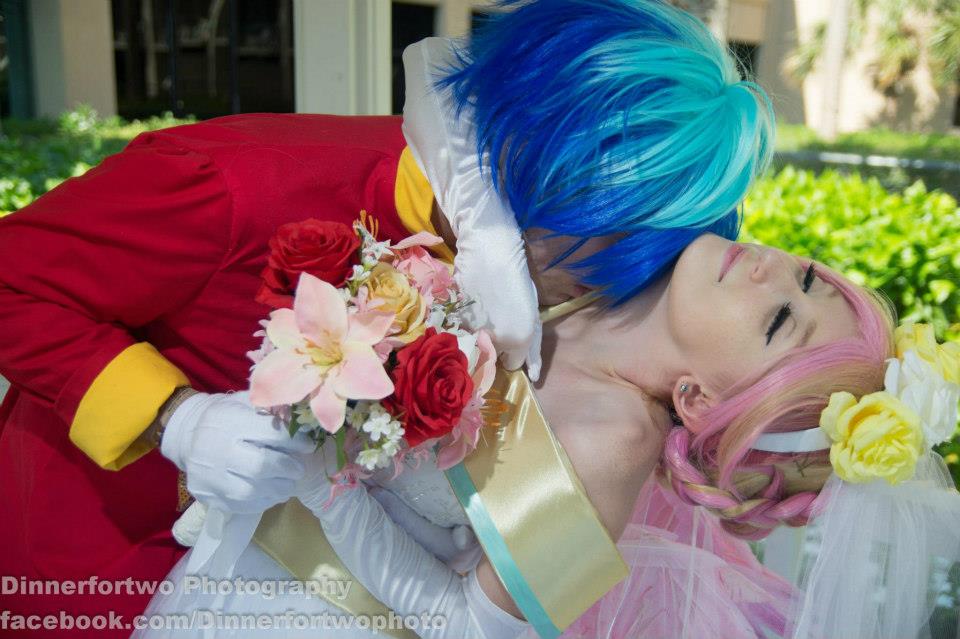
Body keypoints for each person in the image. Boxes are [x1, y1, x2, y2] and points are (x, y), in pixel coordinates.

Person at [0, 0, 774, 636]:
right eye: (620, 252)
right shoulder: (233, 184)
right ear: (553, 176)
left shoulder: (543, 274)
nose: (619, 291)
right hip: (94, 551)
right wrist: (176, 418)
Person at [136, 228, 960, 639]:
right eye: (808, 275)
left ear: (700, 397)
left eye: (778, 319)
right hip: (242, 539)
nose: (773, 269)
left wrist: (324, 481)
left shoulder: (611, 446)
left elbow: (461, 624)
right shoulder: (616, 266)